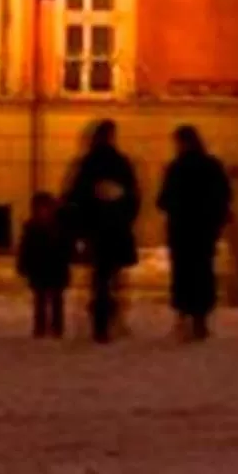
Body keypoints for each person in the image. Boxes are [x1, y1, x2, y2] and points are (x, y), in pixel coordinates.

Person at [61, 119, 141, 344]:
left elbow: (74, 195)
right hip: (116, 226)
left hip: (95, 228)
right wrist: (126, 217)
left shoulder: (87, 163)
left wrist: (79, 226)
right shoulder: (120, 163)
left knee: (100, 277)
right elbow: (133, 195)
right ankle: (112, 319)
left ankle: (101, 322)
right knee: (113, 276)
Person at [158, 124, 235, 341]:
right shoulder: (211, 166)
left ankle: (183, 316)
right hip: (204, 230)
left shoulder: (176, 167)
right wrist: (216, 222)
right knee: (203, 272)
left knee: (182, 273)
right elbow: (224, 195)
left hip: (182, 229)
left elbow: (164, 200)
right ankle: (200, 320)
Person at [15, 191, 72, 339]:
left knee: (56, 300)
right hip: (39, 268)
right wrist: (23, 265)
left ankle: (56, 328)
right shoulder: (32, 228)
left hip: (56, 268)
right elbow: (26, 249)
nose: (43, 211)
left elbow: (66, 247)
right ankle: (40, 327)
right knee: (40, 300)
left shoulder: (60, 228)